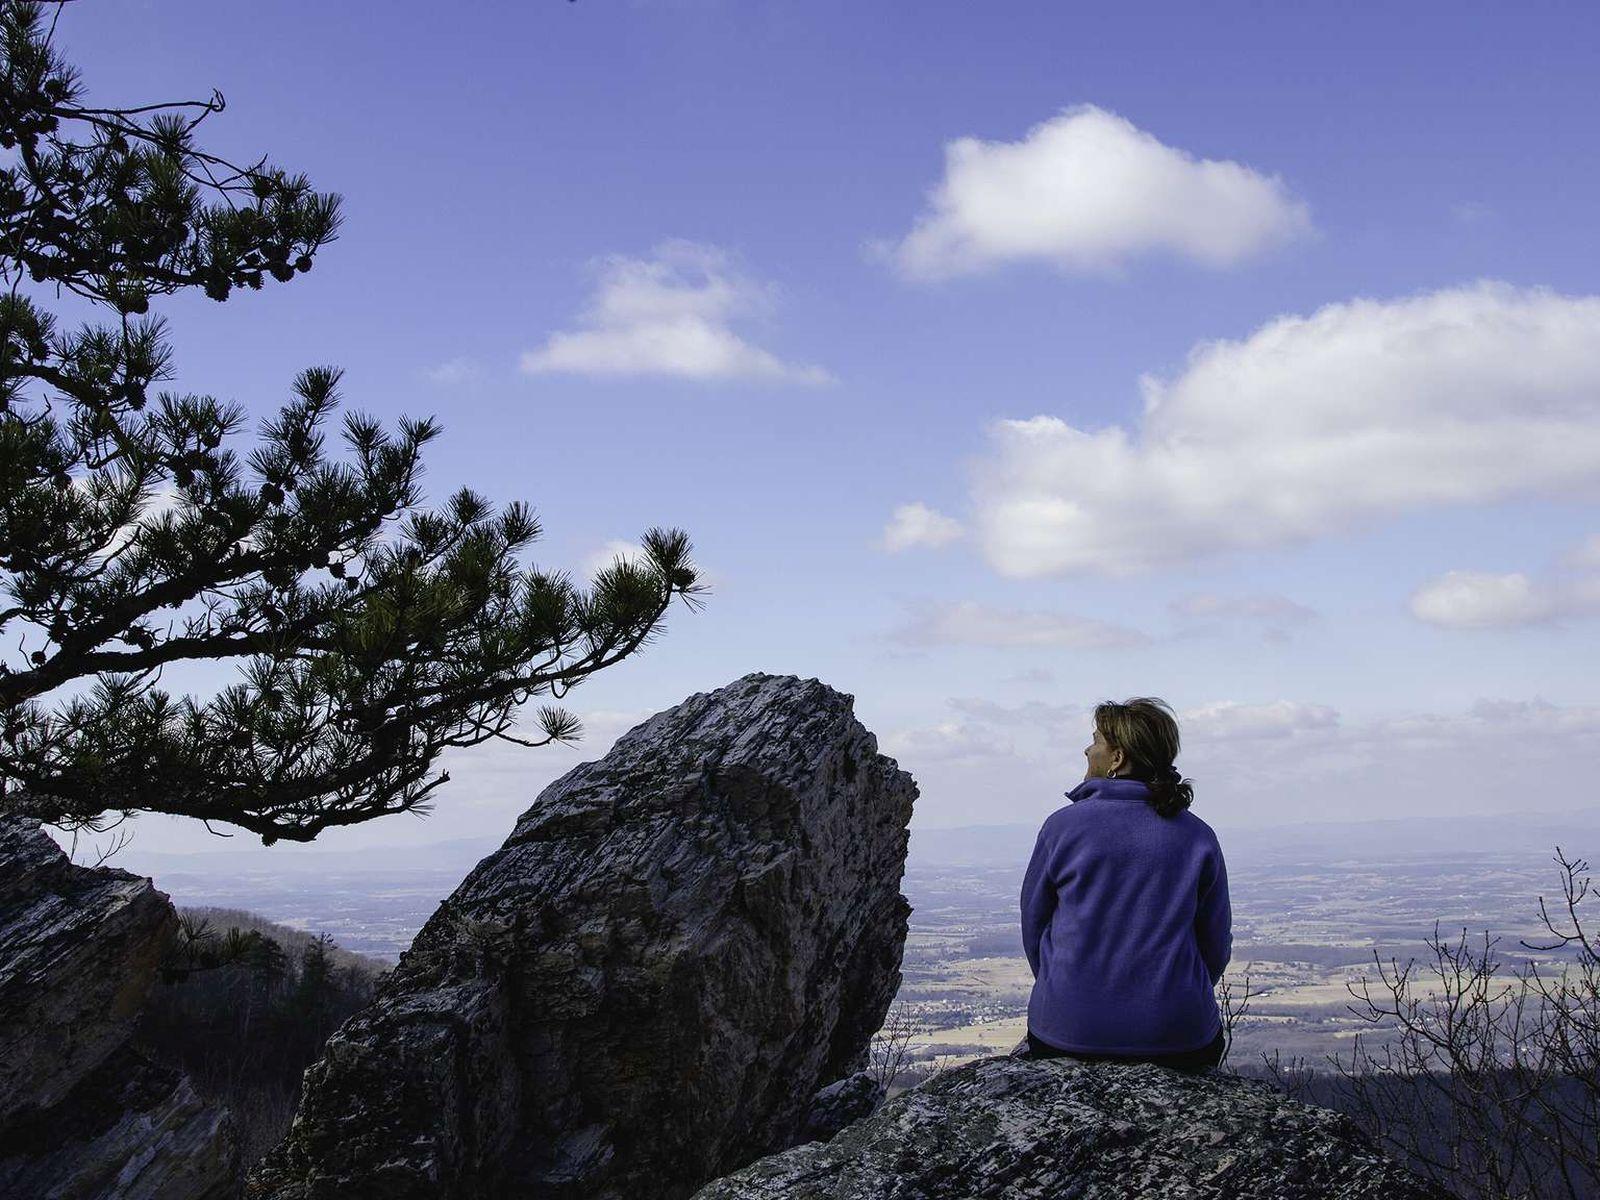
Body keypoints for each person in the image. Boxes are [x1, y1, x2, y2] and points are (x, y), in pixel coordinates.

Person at [1015, 697, 1231, 1071]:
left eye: (1096, 740)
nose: (1087, 748)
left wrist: (1065, 988)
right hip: (1178, 1035)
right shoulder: (1197, 836)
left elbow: (1034, 925)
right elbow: (1215, 943)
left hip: (1068, 1029)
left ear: (1117, 759)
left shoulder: (1062, 828)